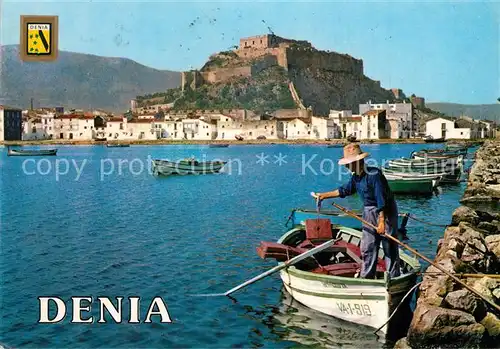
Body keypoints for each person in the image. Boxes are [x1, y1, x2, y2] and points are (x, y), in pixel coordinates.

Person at [312, 143, 401, 279]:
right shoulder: (356, 177)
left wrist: (382, 222)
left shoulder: (374, 174)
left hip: (385, 210)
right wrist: (323, 195)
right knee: (368, 246)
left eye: (349, 163)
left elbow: (381, 199)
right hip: (368, 211)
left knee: (389, 245)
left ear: (359, 161)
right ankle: (367, 277)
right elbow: (345, 190)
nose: (347, 167)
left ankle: (393, 277)